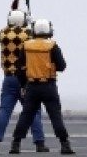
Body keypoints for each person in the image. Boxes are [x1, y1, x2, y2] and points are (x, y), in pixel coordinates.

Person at [0, 3, 47, 153]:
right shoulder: (27, 34)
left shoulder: (3, 34)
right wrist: (33, 23)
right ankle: (39, 142)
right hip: (25, 79)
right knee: (33, 111)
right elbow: (39, 38)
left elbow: (12, 32)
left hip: (8, 78)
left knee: (4, 111)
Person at [9, 19, 74, 155]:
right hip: (49, 86)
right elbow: (62, 66)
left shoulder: (26, 46)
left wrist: (23, 85)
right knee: (55, 116)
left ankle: (15, 144)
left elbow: (20, 69)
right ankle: (65, 144)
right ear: (49, 30)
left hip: (32, 86)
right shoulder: (52, 46)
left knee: (26, 116)